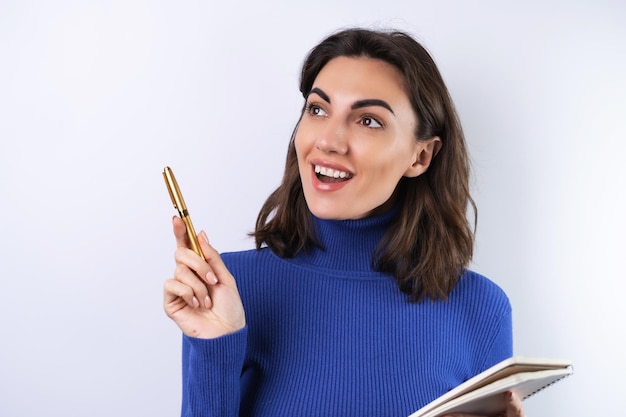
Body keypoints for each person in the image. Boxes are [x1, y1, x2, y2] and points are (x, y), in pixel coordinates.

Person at [163, 27, 526, 417]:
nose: (329, 141)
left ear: (420, 157)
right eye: (318, 110)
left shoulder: (481, 309)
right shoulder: (229, 292)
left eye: (368, 120)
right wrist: (217, 346)